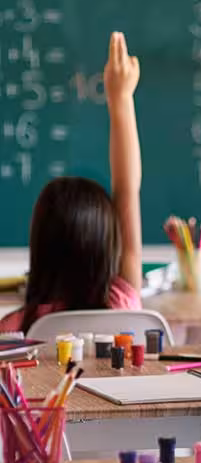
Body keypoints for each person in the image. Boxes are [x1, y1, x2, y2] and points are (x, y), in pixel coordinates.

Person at [0, 33, 142, 333]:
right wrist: (121, 99)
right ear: (108, 246)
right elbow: (127, 189)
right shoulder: (122, 305)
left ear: (39, 245)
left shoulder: (14, 331)